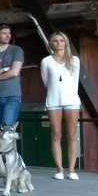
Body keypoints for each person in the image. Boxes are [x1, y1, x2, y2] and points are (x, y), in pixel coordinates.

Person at [40, 32, 81, 180]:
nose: (58, 43)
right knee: (56, 134)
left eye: (62, 40)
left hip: (71, 100)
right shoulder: (46, 61)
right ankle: (59, 170)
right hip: (53, 101)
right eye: (55, 41)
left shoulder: (74, 60)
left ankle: (72, 170)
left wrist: (69, 94)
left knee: (71, 135)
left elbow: (75, 81)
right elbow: (46, 82)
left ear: (66, 43)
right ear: (51, 44)